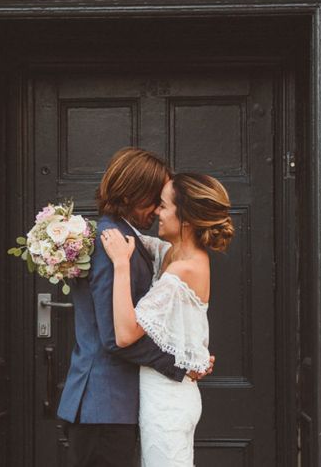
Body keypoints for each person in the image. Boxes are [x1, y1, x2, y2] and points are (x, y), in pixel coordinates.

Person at [57, 148, 212, 467]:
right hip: (104, 404)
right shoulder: (113, 244)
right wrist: (178, 365)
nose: (157, 211)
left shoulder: (128, 238)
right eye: (155, 199)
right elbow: (115, 336)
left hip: (109, 406)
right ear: (133, 195)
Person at [100, 172, 234, 467]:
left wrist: (122, 265)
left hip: (167, 404)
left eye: (163, 205)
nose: (157, 212)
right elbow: (138, 239)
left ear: (185, 217)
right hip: (166, 396)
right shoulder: (174, 253)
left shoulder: (183, 270)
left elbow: (124, 334)